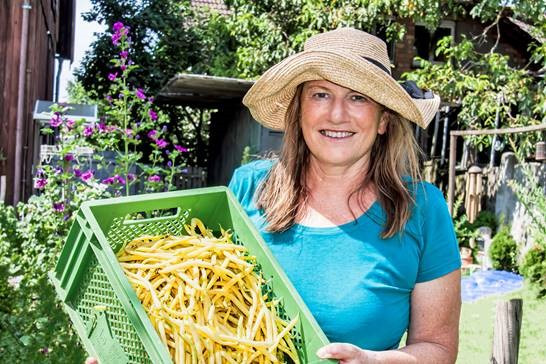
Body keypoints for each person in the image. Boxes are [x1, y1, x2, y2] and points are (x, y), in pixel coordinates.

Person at [228, 27, 461, 363]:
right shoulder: (248, 188)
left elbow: (438, 350)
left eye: (358, 97)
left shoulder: (421, 209)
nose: (337, 114)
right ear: (299, 110)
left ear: (383, 120)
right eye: (320, 94)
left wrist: (373, 361)